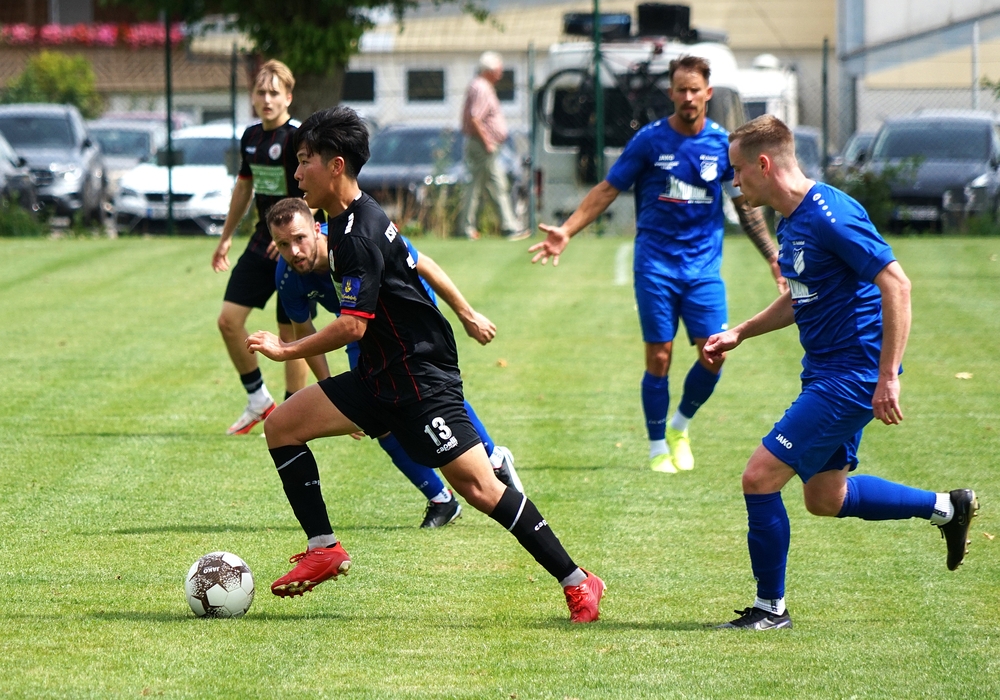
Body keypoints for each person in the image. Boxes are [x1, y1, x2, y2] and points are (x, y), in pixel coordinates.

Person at [245, 106, 604, 623]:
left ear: (336, 165)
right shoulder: (348, 221)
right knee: (281, 427)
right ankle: (323, 547)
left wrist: (286, 350)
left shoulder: (357, 235)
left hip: (419, 381)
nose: (297, 174)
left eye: (305, 162)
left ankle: (578, 581)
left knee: (481, 488)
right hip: (379, 377)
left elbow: (352, 327)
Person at [702, 115, 979, 630]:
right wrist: (740, 331)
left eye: (737, 170)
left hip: (851, 376)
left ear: (763, 164)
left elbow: (897, 284)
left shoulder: (831, 215)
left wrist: (888, 376)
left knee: (759, 478)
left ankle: (770, 609)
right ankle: (947, 507)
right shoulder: (791, 221)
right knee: (825, 498)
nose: (734, 182)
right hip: (825, 371)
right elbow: (800, 298)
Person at [530, 55, 785, 474]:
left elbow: (745, 207)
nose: (688, 97)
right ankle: (656, 448)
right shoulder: (649, 141)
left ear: (708, 93)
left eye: (694, 90)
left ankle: (679, 425)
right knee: (660, 358)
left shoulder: (722, 145)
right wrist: (567, 230)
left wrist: (774, 257)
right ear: (671, 93)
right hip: (655, 266)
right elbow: (608, 189)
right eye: (680, 89)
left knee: (715, 354)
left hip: (703, 269)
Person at [266, 197, 524, 528]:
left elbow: (424, 264)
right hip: (360, 328)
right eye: (282, 244)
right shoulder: (287, 276)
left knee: (429, 392)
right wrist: (331, 390)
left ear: (317, 228)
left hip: (408, 316)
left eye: (300, 238)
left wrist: (468, 315)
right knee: (379, 418)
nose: (294, 251)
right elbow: (305, 332)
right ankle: (441, 499)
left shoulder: (355, 238)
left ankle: (493, 458)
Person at [211, 59, 314, 435]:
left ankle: (291, 414)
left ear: (288, 97)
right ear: (252, 97)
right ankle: (258, 400)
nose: (267, 99)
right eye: (260, 92)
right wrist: (226, 236)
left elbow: (314, 189)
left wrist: (293, 236)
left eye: (274, 92)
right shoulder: (251, 136)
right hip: (261, 240)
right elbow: (244, 187)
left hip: (294, 245)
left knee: (291, 333)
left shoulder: (298, 138)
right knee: (228, 321)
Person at [459, 51, 528, 241]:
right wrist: (487, 142)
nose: (501, 74)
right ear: (488, 70)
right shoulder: (482, 87)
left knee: (491, 185)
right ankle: (505, 227)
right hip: (483, 145)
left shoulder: (480, 86)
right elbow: (475, 118)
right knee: (489, 185)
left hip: (484, 145)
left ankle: (503, 226)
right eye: (498, 70)